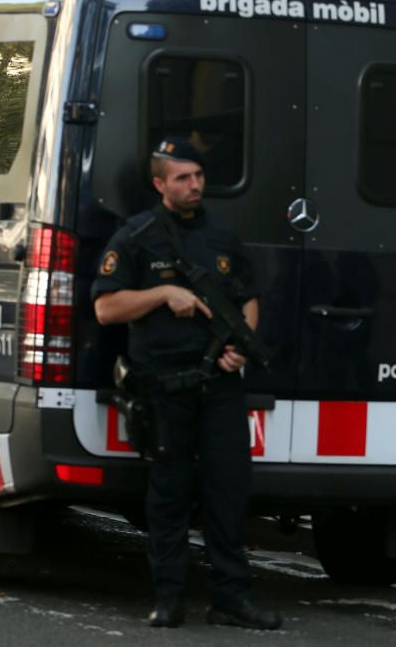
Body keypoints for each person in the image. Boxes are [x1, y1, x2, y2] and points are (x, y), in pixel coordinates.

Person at [92, 137, 281, 630]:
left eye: (198, 176)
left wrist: (241, 345)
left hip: (219, 388)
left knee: (228, 492)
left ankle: (232, 599)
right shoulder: (137, 237)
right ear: (159, 184)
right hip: (164, 387)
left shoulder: (221, 235)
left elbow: (249, 298)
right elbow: (106, 308)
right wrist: (162, 293)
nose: (195, 185)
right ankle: (169, 599)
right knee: (169, 496)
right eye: (182, 178)